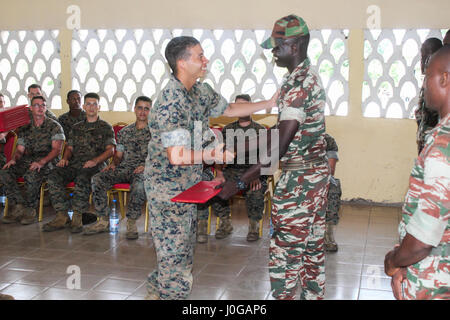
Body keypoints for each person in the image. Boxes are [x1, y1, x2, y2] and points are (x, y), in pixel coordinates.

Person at [144, 36, 278, 300]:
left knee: (179, 251)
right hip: (168, 190)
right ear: (182, 62)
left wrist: (268, 104)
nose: (206, 60)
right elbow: (177, 155)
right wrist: (211, 154)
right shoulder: (172, 100)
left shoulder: (199, 91)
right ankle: (169, 295)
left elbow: (229, 108)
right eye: (199, 56)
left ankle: (154, 292)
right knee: (176, 258)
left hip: (187, 187)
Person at [218, 15, 330, 300]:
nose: (272, 50)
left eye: (278, 44)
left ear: (295, 44)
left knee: (286, 260)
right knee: (311, 255)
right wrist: (233, 148)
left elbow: (280, 143)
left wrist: (240, 182)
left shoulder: (299, 84)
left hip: (299, 186)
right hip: (311, 179)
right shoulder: (300, 78)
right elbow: (281, 132)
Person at [384, 45, 450, 300]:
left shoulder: (443, 145)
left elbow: (424, 238)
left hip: (435, 281)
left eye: (426, 76)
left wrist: (395, 260)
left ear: (444, 78)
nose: (424, 85)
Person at [42, 92, 116, 233]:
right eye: (88, 104)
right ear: (84, 106)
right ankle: (62, 215)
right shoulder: (76, 128)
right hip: (75, 163)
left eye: (94, 104)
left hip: (96, 165)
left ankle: (77, 216)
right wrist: (65, 158)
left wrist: (95, 161)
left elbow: (110, 151)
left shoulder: (105, 127)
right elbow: (69, 148)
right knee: (53, 175)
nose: (91, 107)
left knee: (83, 177)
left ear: (99, 107)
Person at [85, 96, 152, 239]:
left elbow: (161, 156)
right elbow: (119, 154)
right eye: (140, 108)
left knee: (140, 184)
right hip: (125, 167)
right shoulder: (124, 132)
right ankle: (103, 220)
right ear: (134, 109)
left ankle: (131, 222)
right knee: (98, 179)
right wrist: (114, 163)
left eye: (146, 108)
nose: (142, 112)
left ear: (150, 111)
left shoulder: (156, 133)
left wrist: (146, 166)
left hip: (144, 170)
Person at [206, 94, 268, 242]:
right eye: (237, 106)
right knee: (216, 188)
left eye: (244, 106)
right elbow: (219, 155)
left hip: (253, 171)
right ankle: (225, 223)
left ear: (251, 108)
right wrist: (219, 174)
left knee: (256, 190)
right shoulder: (228, 130)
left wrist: (257, 176)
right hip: (232, 171)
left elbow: (267, 159)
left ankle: (253, 226)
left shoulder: (260, 131)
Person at [0, 95, 64, 225]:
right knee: (5, 171)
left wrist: (41, 162)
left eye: (43, 105)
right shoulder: (25, 127)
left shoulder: (54, 126)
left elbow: (56, 150)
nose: (40, 108)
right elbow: (20, 150)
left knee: (32, 173)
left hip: (48, 162)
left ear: (46, 108)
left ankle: (30, 209)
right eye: (36, 105)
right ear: (30, 108)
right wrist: (14, 159)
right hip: (29, 160)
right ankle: (19, 206)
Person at [415, 38, 443, 154]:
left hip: (436, 145)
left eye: (428, 56)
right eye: (422, 57)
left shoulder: (441, 82)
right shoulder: (427, 81)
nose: (424, 61)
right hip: (425, 143)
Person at [323, 133, 342, 252]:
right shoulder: (288, 132)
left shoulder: (327, 140)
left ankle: (328, 233)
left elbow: (330, 170)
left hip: (320, 176)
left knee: (333, 188)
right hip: (294, 176)